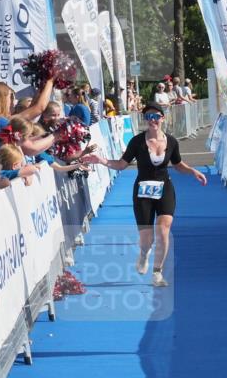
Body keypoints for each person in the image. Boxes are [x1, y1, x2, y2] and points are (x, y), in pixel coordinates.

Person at [82, 103, 207, 288]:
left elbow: (178, 164)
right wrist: (101, 160)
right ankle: (144, 253)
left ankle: (157, 272)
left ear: (162, 118)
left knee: (164, 228)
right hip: (143, 191)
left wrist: (193, 171)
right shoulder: (137, 141)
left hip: (165, 188)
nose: (152, 120)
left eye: (156, 116)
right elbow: (122, 164)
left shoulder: (171, 142)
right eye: (148, 116)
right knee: (147, 239)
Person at [0, 78, 54, 155]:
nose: (13, 101)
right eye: (10, 97)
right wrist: (51, 80)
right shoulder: (1, 123)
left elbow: (34, 107)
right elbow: (38, 109)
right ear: (2, 100)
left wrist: (43, 85)